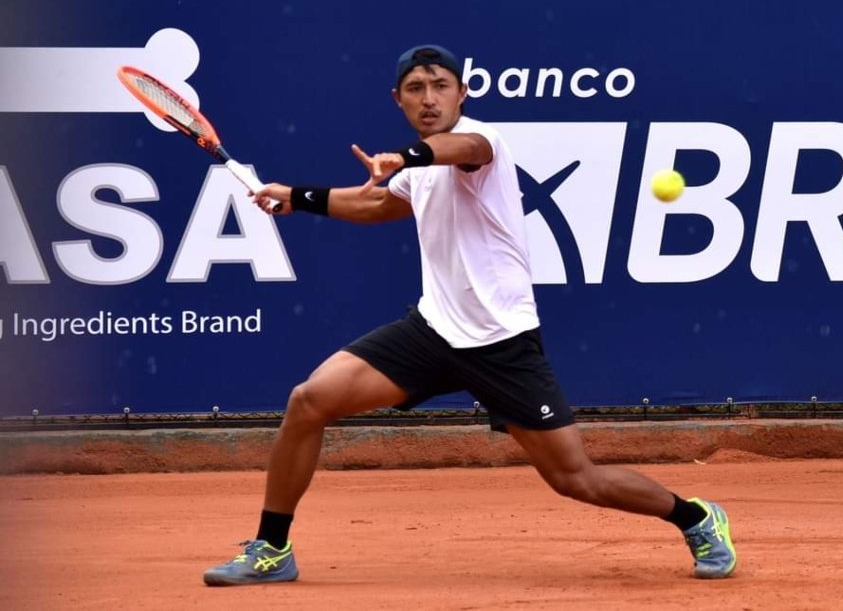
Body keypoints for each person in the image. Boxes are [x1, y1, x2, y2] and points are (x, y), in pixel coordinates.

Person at [202, 44, 737, 586]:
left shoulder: (483, 143)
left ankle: (695, 517)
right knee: (309, 400)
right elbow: (379, 204)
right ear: (398, 99)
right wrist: (298, 197)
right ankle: (272, 547)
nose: (429, 98)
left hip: (501, 341)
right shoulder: (419, 169)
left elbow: (457, 149)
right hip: (432, 331)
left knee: (576, 478)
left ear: (463, 92)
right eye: (416, 89)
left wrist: (405, 157)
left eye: (440, 86)